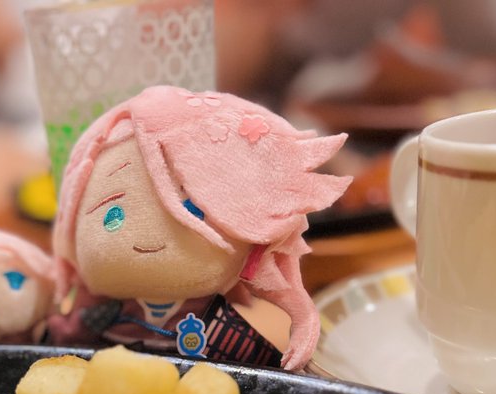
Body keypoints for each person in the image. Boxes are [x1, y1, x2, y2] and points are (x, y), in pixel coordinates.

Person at [45, 86, 349, 371]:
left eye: (191, 212)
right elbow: (72, 332)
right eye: (114, 215)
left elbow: (255, 366)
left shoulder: (218, 326)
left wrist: (302, 317)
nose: (150, 240)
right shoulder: (104, 313)